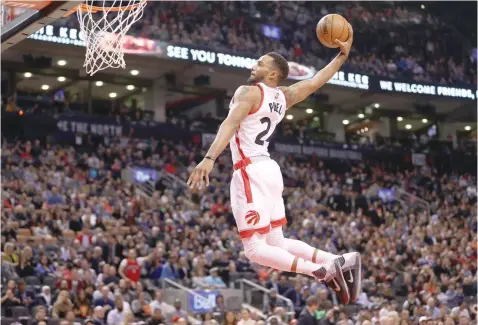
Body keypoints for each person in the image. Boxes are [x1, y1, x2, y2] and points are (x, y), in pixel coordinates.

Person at [187, 24, 360, 305]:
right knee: (276, 242)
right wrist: (341, 57)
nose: (254, 65)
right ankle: (339, 259)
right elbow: (316, 81)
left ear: (272, 74)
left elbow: (230, 124)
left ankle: (321, 270)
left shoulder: (249, 91)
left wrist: (209, 159)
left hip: (250, 170)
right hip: (269, 169)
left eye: (260, 62)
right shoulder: (284, 97)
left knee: (254, 249)